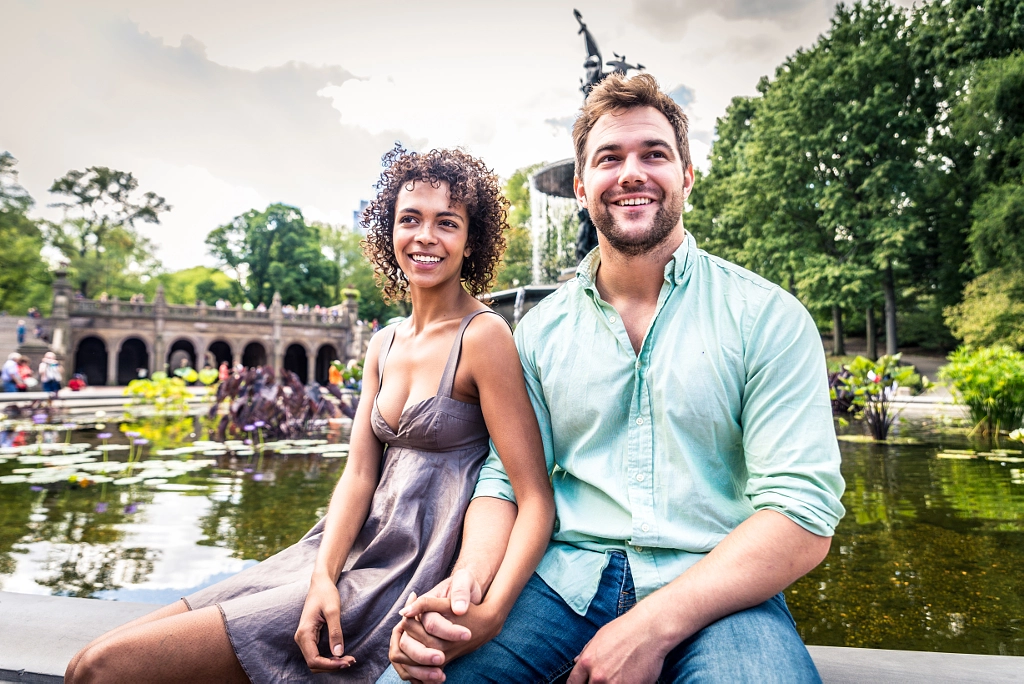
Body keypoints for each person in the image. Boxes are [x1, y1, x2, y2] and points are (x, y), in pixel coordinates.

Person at [386, 73, 845, 683]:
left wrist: (650, 625)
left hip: (719, 590)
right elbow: (505, 481)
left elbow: (802, 512)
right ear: (580, 186)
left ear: (686, 175)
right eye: (609, 158)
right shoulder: (539, 332)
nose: (631, 172)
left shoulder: (766, 317)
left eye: (654, 154)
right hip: (560, 587)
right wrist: (469, 584)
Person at [65, 146, 555, 684]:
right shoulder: (385, 342)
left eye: (447, 223)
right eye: (409, 219)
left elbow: (532, 495)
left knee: (104, 669)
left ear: (471, 240)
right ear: (388, 232)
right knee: (89, 660)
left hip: (401, 573)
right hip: (335, 553)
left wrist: (493, 609)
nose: (425, 237)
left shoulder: (484, 337)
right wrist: (323, 575)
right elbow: (360, 474)